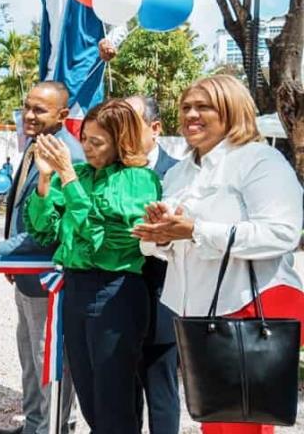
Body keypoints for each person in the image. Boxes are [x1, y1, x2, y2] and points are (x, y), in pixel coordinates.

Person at [132, 75, 304, 434]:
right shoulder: (179, 172)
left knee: (243, 423)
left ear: (231, 110)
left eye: (203, 106)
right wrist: (158, 236)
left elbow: (282, 233)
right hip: (200, 314)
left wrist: (195, 230)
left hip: (250, 305)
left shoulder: (259, 160)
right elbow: (170, 247)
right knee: (216, 419)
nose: (191, 114)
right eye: (185, 107)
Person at [25, 100, 161, 433]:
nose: (86, 147)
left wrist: (68, 178)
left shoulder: (137, 179)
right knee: (89, 398)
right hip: (77, 289)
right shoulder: (81, 174)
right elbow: (46, 230)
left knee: (114, 402)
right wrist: (46, 180)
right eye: (84, 138)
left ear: (121, 141)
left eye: (96, 142)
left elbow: (107, 238)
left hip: (115, 291)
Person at [0, 81, 82, 434]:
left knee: (49, 362)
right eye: (27, 107)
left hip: (48, 277)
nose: (28, 115)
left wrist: (1, 250)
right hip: (26, 274)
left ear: (62, 115)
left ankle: (53, 426)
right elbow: (20, 205)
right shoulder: (37, 145)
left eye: (39, 110)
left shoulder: (66, 155)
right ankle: (36, 423)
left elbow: (49, 227)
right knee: (30, 360)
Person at [122, 95, 179, 434]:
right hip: (116, 305)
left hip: (163, 304)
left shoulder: (176, 173)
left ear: (155, 128)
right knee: (124, 398)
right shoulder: (111, 171)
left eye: (130, 121)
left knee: (162, 394)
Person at [35, 0, 125, 135]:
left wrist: (110, 42)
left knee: (78, 155)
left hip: (83, 80)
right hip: (50, 81)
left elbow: (119, 22)